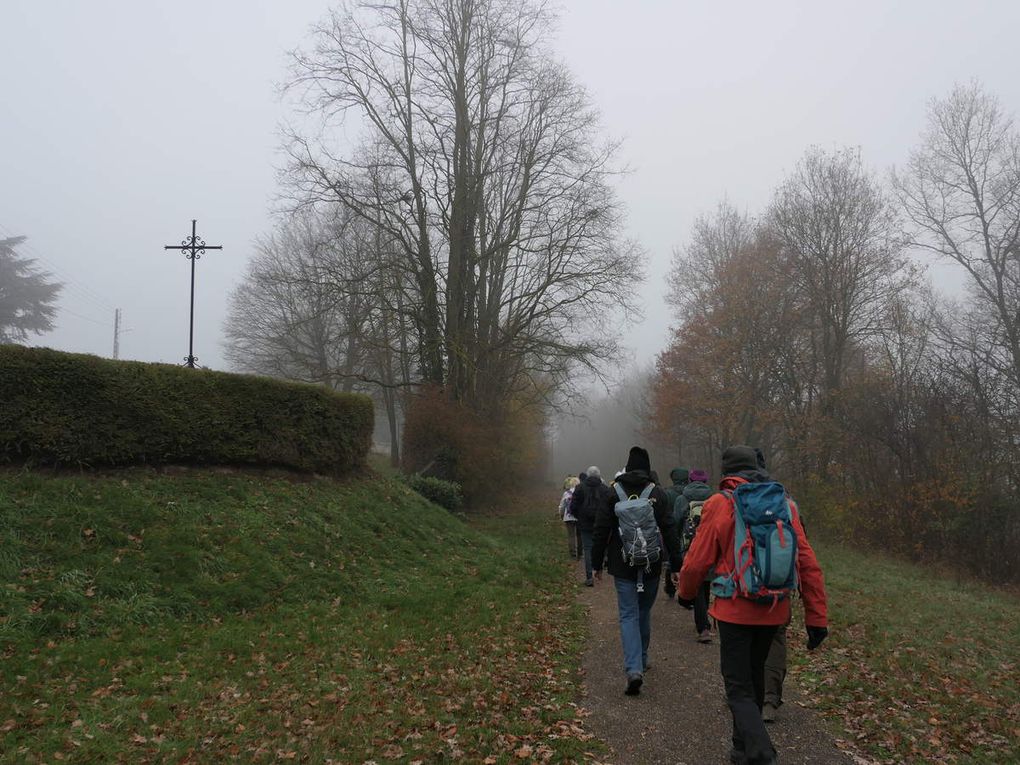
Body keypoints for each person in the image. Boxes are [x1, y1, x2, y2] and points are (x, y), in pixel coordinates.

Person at [678, 445, 828, 765]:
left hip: (734, 609)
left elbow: (696, 560)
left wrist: (686, 594)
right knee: (754, 677)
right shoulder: (784, 504)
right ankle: (740, 749)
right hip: (774, 609)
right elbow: (807, 562)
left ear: (726, 471)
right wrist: (817, 617)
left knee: (737, 686)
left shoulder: (719, 503)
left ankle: (761, 751)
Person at [591, 446, 683, 696]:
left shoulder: (613, 493)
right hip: (652, 564)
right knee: (643, 610)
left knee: (628, 614)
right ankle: (641, 657)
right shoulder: (657, 493)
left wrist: (596, 564)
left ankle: (634, 668)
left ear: (627, 466)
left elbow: (601, 530)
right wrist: (677, 565)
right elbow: (670, 530)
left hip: (623, 566)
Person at [676, 467, 715, 642]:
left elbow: (675, 523)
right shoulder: (715, 498)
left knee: (697, 586)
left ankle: (703, 627)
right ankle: (704, 620)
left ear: (690, 481)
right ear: (706, 481)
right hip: (710, 547)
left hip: (689, 547)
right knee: (705, 583)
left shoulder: (681, 499)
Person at [571, 466, 612, 586]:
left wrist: (579, 516)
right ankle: (599, 571)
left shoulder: (580, 487)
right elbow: (609, 507)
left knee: (587, 549)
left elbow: (573, 506)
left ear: (587, 475)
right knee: (601, 546)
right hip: (601, 523)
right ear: (599, 475)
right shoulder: (605, 489)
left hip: (584, 524)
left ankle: (589, 577)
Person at [558, 476, 581, 559]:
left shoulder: (566, 493)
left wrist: (561, 514)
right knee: (579, 535)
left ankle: (572, 553)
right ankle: (580, 552)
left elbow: (562, 506)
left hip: (568, 516)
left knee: (571, 535)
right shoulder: (580, 492)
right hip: (578, 517)